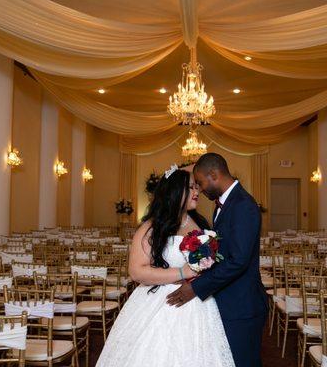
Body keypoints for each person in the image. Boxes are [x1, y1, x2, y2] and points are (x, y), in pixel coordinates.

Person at [96, 165, 235, 367]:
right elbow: (137, 271)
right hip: (158, 300)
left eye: (197, 187)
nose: (197, 192)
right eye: (191, 187)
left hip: (197, 300)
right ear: (175, 191)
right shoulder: (151, 228)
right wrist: (182, 272)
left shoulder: (200, 224)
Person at [167, 153, 268, 367]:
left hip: (242, 305)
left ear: (214, 175)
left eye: (201, 183)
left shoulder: (243, 205)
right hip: (229, 300)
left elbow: (238, 261)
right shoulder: (224, 203)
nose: (200, 189)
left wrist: (196, 288)